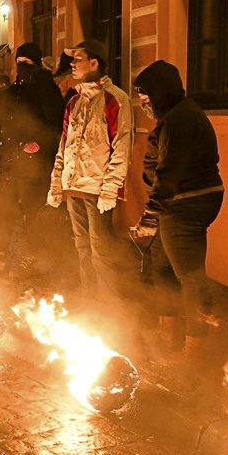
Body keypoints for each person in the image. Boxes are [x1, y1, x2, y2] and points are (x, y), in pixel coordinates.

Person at [132, 60, 224, 356]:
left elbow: (169, 171)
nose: (143, 102)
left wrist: (150, 215)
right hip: (176, 203)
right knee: (162, 267)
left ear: (161, 92)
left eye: (145, 95)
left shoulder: (179, 119)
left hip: (185, 203)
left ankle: (195, 348)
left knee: (190, 275)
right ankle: (167, 330)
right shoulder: (176, 115)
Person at [47, 39, 134, 309]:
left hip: (96, 191)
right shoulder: (73, 102)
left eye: (78, 59)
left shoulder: (115, 100)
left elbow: (121, 148)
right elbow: (64, 146)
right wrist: (57, 184)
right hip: (73, 187)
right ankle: (90, 302)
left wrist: (109, 190)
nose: (72, 64)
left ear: (94, 63)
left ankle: (109, 307)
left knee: (101, 250)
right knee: (82, 247)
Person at [0, 42, 65, 273]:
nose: (22, 66)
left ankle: (32, 255)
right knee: (3, 207)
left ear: (37, 64)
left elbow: (56, 125)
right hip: (9, 162)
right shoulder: (10, 93)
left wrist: (39, 144)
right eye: (19, 62)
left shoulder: (47, 91)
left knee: (33, 211)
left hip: (36, 165)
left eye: (27, 62)